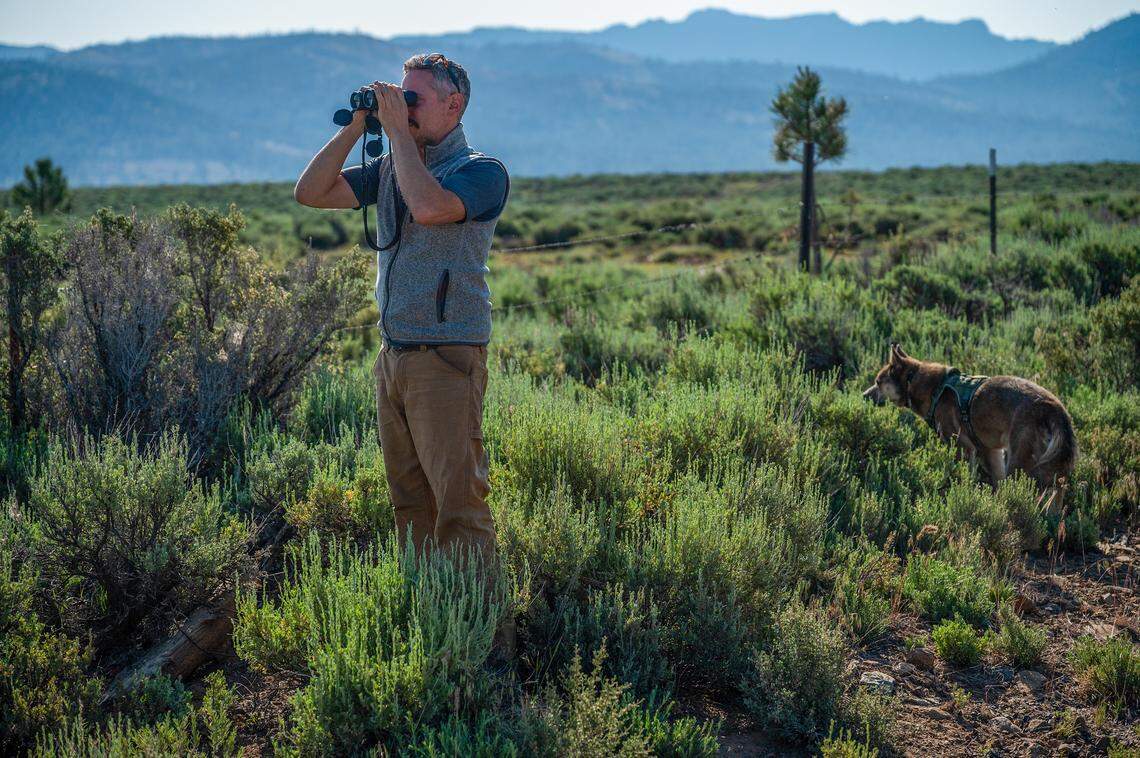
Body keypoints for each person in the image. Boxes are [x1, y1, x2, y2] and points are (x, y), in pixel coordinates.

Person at [294, 53, 509, 563]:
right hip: (394, 357)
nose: (404, 109)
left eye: (413, 100)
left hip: (445, 357)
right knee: (410, 503)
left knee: (459, 507)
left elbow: (431, 208)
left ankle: (485, 633)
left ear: (453, 104)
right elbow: (311, 192)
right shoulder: (394, 166)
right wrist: (360, 125)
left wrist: (396, 136)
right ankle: (431, 610)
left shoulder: (481, 172)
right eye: (399, 97)